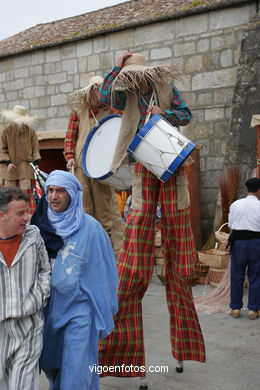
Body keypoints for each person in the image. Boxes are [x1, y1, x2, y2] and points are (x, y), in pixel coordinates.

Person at [98, 52, 205, 387]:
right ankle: (122, 359)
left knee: (181, 266)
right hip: (144, 165)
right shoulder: (124, 92)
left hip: (172, 162)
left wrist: (165, 113)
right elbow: (102, 97)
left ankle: (184, 345)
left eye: (136, 75)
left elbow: (185, 114)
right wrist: (118, 64)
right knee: (132, 269)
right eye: (129, 75)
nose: (135, 80)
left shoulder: (164, 85)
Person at [32, 170, 118, 390]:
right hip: (49, 309)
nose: (53, 196)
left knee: (77, 368)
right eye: (50, 190)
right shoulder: (39, 225)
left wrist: (105, 305)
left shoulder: (91, 228)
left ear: (72, 194)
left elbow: (105, 270)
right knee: (55, 365)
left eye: (60, 191)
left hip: (80, 310)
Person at [64, 75, 124, 257]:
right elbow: (70, 136)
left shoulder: (113, 111)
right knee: (83, 207)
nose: (99, 94)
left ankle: (107, 251)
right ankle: (86, 249)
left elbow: (120, 133)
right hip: (80, 165)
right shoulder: (79, 111)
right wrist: (69, 156)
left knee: (105, 209)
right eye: (96, 90)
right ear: (90, 92)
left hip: (101, 168)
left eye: (101, 90)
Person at [0, 186, 50, 390]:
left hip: (30, 326)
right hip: (1, 329)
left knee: (23, 385)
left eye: (27, 212)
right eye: (20, 213)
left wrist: (36, 299)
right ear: (2, 216)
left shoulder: (33, 237)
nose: (26, 218)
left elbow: (45, 271)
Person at [228, 177, 260, 320]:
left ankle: (235, 308)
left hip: (239, 243)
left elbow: (231, 224)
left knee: (237, 275)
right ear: (258, 191)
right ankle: (253, 309)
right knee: (256, 276)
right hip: (256, 243)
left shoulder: (235, 204)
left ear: (247, 189)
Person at [0, 105, 41, 213]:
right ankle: (8, 213)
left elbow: (35, 148)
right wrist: (8, 162)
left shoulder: (31, 132)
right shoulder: (6, 131)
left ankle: (27, 213)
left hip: (26, 165)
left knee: (25, 192)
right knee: (9, 192)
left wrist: (36, 162)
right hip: (10, 167)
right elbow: (2, 149)